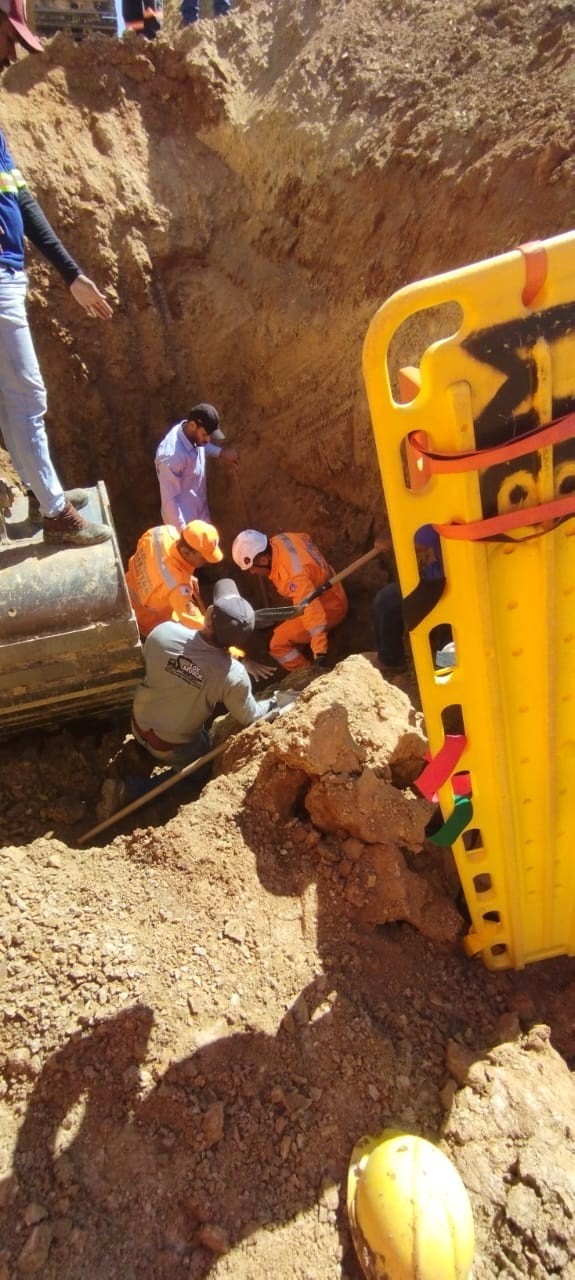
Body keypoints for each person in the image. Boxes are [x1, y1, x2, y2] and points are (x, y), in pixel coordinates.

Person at [0, 0, 114, 548]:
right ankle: (54, 512)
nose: (9, 53)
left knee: (14, 400)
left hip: (10, 276)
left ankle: (40, 494)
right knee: (27, 396)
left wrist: (71, 274)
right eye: (7, 36)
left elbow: (23, 200)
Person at [131, 579, 277, 769]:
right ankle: (135, 789)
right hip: (169, 745)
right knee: (203, 769)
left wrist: (185, 671)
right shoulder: (233, 675)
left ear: (207, 616)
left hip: (138, 722)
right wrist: (275, 702)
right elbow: (249, 716)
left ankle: (136, 769)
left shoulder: (163, 633)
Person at [232, 528, 348, 671]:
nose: (252, 572)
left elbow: (313, 615)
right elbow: (305, 537)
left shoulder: (293, 578)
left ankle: (307, 674)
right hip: (331, 587)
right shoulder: (281, 539)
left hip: (331, 606)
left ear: (263, 559)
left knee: (277, 645)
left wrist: (320, 653)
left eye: (252, 568)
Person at [125, 518, 223, 639]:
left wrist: (187, 575)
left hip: (125, 585)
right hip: (144, 622)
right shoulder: (176, 585)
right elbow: (194, 621)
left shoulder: (163, 531)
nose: (207, 562)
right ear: (186, 552)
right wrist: (221, 638)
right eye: (203, 559)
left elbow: (156, 563)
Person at [372, 525, 450, 673]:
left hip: (444, 583)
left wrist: (390, 539)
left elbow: (417, 541)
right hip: (443, 575)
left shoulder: (447, 508)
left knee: (388, 601)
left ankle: (391, 661)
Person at [155, 403, 238, 530]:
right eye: (205, 434)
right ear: (193, 425)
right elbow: (169, 503)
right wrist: (184, 535)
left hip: (201, 513)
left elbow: (201, 445)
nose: (208, 439)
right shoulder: (171, 456)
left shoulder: (191, 435)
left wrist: (221, 453)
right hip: (185, 524)